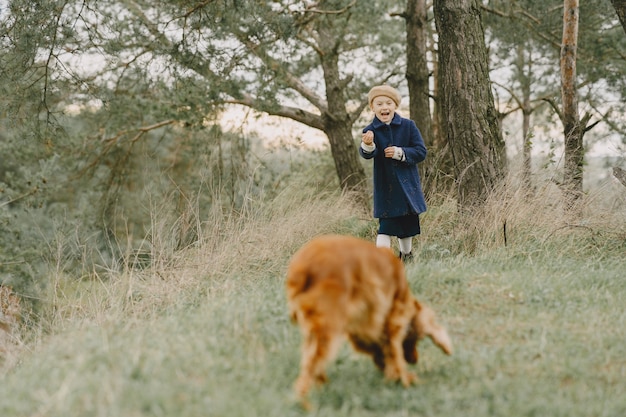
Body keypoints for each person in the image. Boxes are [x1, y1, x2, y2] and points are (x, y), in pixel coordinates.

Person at [359, 85, 427, 262]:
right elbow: (368, 154)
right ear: (372, 108)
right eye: (379, 104)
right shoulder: (370, 131)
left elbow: (421, 151)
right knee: (386, 227)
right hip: (386, 188)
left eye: (388, 103)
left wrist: (400, 153)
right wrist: (368, 145)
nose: (384, 107)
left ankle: (406, 256)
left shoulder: (408, 126)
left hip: (407, 188)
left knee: (406, 228)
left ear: (395, 106)